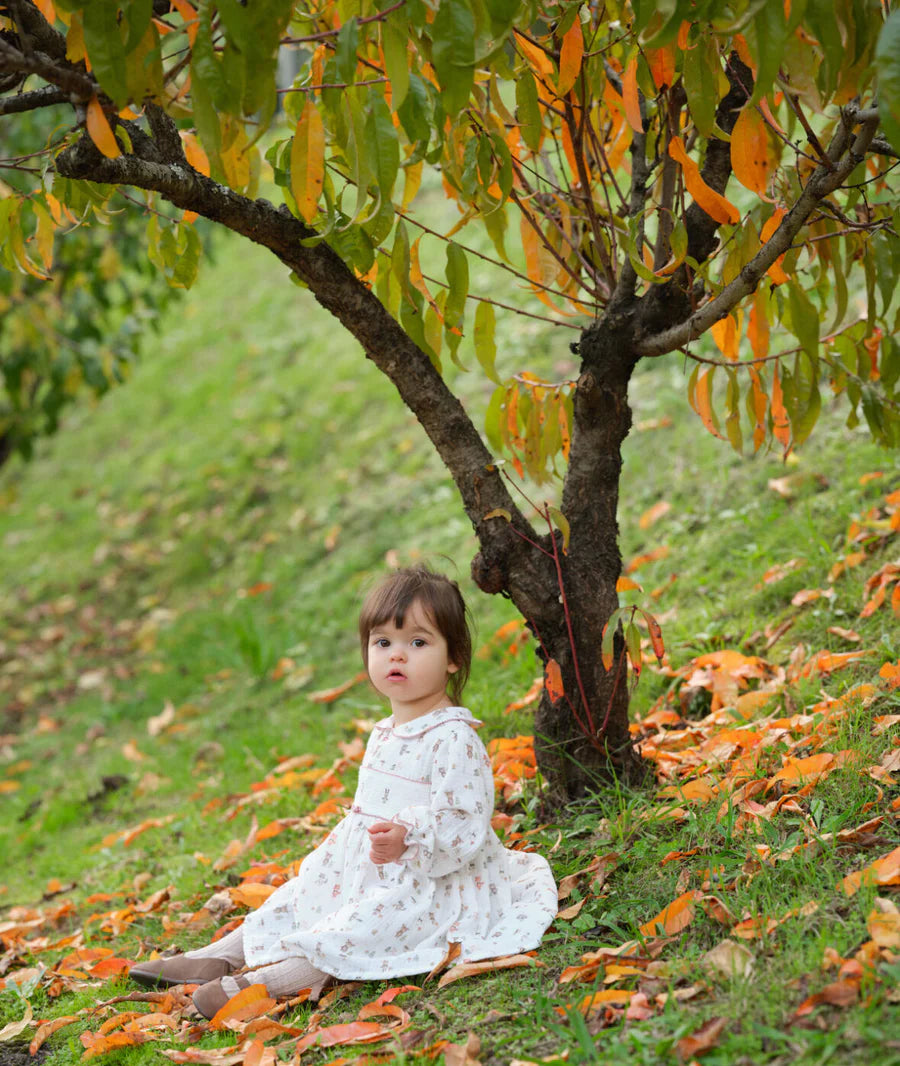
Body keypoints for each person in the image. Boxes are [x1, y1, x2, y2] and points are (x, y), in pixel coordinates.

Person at [131, 567, 558, 1018]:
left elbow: (464, 821)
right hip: (370, 868)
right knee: (298, 896)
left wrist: (408, 835)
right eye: (383, 643)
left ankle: (257, 984)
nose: (398, 656)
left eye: (418, 642)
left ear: (454, 657)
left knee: (360, 928)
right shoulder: (385, 732)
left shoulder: (453, 738)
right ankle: (219, 955)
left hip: (429, 881)